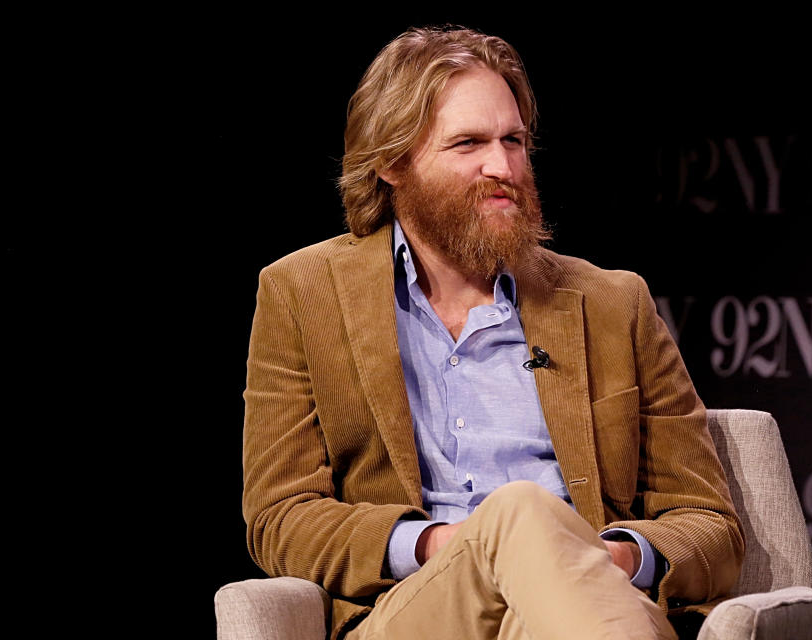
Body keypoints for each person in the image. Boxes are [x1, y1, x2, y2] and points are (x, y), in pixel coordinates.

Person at [243, 26, 743, 640]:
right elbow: (281, 517)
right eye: (468, 143)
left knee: (535, 542)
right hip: (417, 608)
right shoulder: (302, 293)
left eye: (514, 141)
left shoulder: (614, 304)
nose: (502, 167)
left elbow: (709, 524)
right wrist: (443, 544)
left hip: (583, 603)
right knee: (521, 511)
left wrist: (602, 557)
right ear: (393, 162)